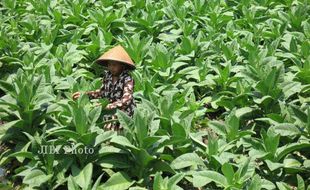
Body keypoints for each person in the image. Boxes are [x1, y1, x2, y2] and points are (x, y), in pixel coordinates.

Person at [72, 45, 136, 132]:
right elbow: (102, 93)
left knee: (110, 126)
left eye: (114, 65)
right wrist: (85, 95)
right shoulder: (108, 76)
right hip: (108, 110)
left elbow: (126, 100)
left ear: (122, 66)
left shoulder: (127, 79)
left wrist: (108, 106)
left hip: (124, 113)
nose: (111, 68)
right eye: (109, 65)